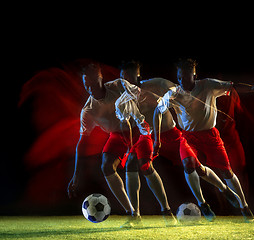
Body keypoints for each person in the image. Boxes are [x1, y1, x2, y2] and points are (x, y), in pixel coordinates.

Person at [116, 68, 242, 222]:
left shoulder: (156, 83)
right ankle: (140, 214)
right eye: (122, 78)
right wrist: (129, 142)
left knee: (196, 167)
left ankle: (224, 189)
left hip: (172, 134)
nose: (125, 81)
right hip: (147, 136)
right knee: (133, 163)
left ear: (137, 75)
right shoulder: (122, 99)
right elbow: (125, 122)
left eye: (128, 77)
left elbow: (178, 88)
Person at [153, 58, 254, 222]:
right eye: (179, 77)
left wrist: (253, 88)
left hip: (210, 135)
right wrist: (157, 140)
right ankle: (203, 203)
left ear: (194, 74)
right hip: (188, 137)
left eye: (185, 77)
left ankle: (244, 206)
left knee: (227, 172)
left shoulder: (208, 85)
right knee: (189, 166)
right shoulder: (174, 93)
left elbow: (232, 87)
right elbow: (158, 111)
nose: (181, 81)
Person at [67, 62, 175, 228]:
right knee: (106, 166)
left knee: (144, 166)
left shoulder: (118, 86)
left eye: (94, 81)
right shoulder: (88, 110)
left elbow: (140, 94)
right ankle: (133, 214)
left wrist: (161, 101)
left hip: (138, 130)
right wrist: (76, 174)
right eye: (86, 83)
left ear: (101, 79)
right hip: (118, 136)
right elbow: (82, 143)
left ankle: (166, 210)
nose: (90, 86)